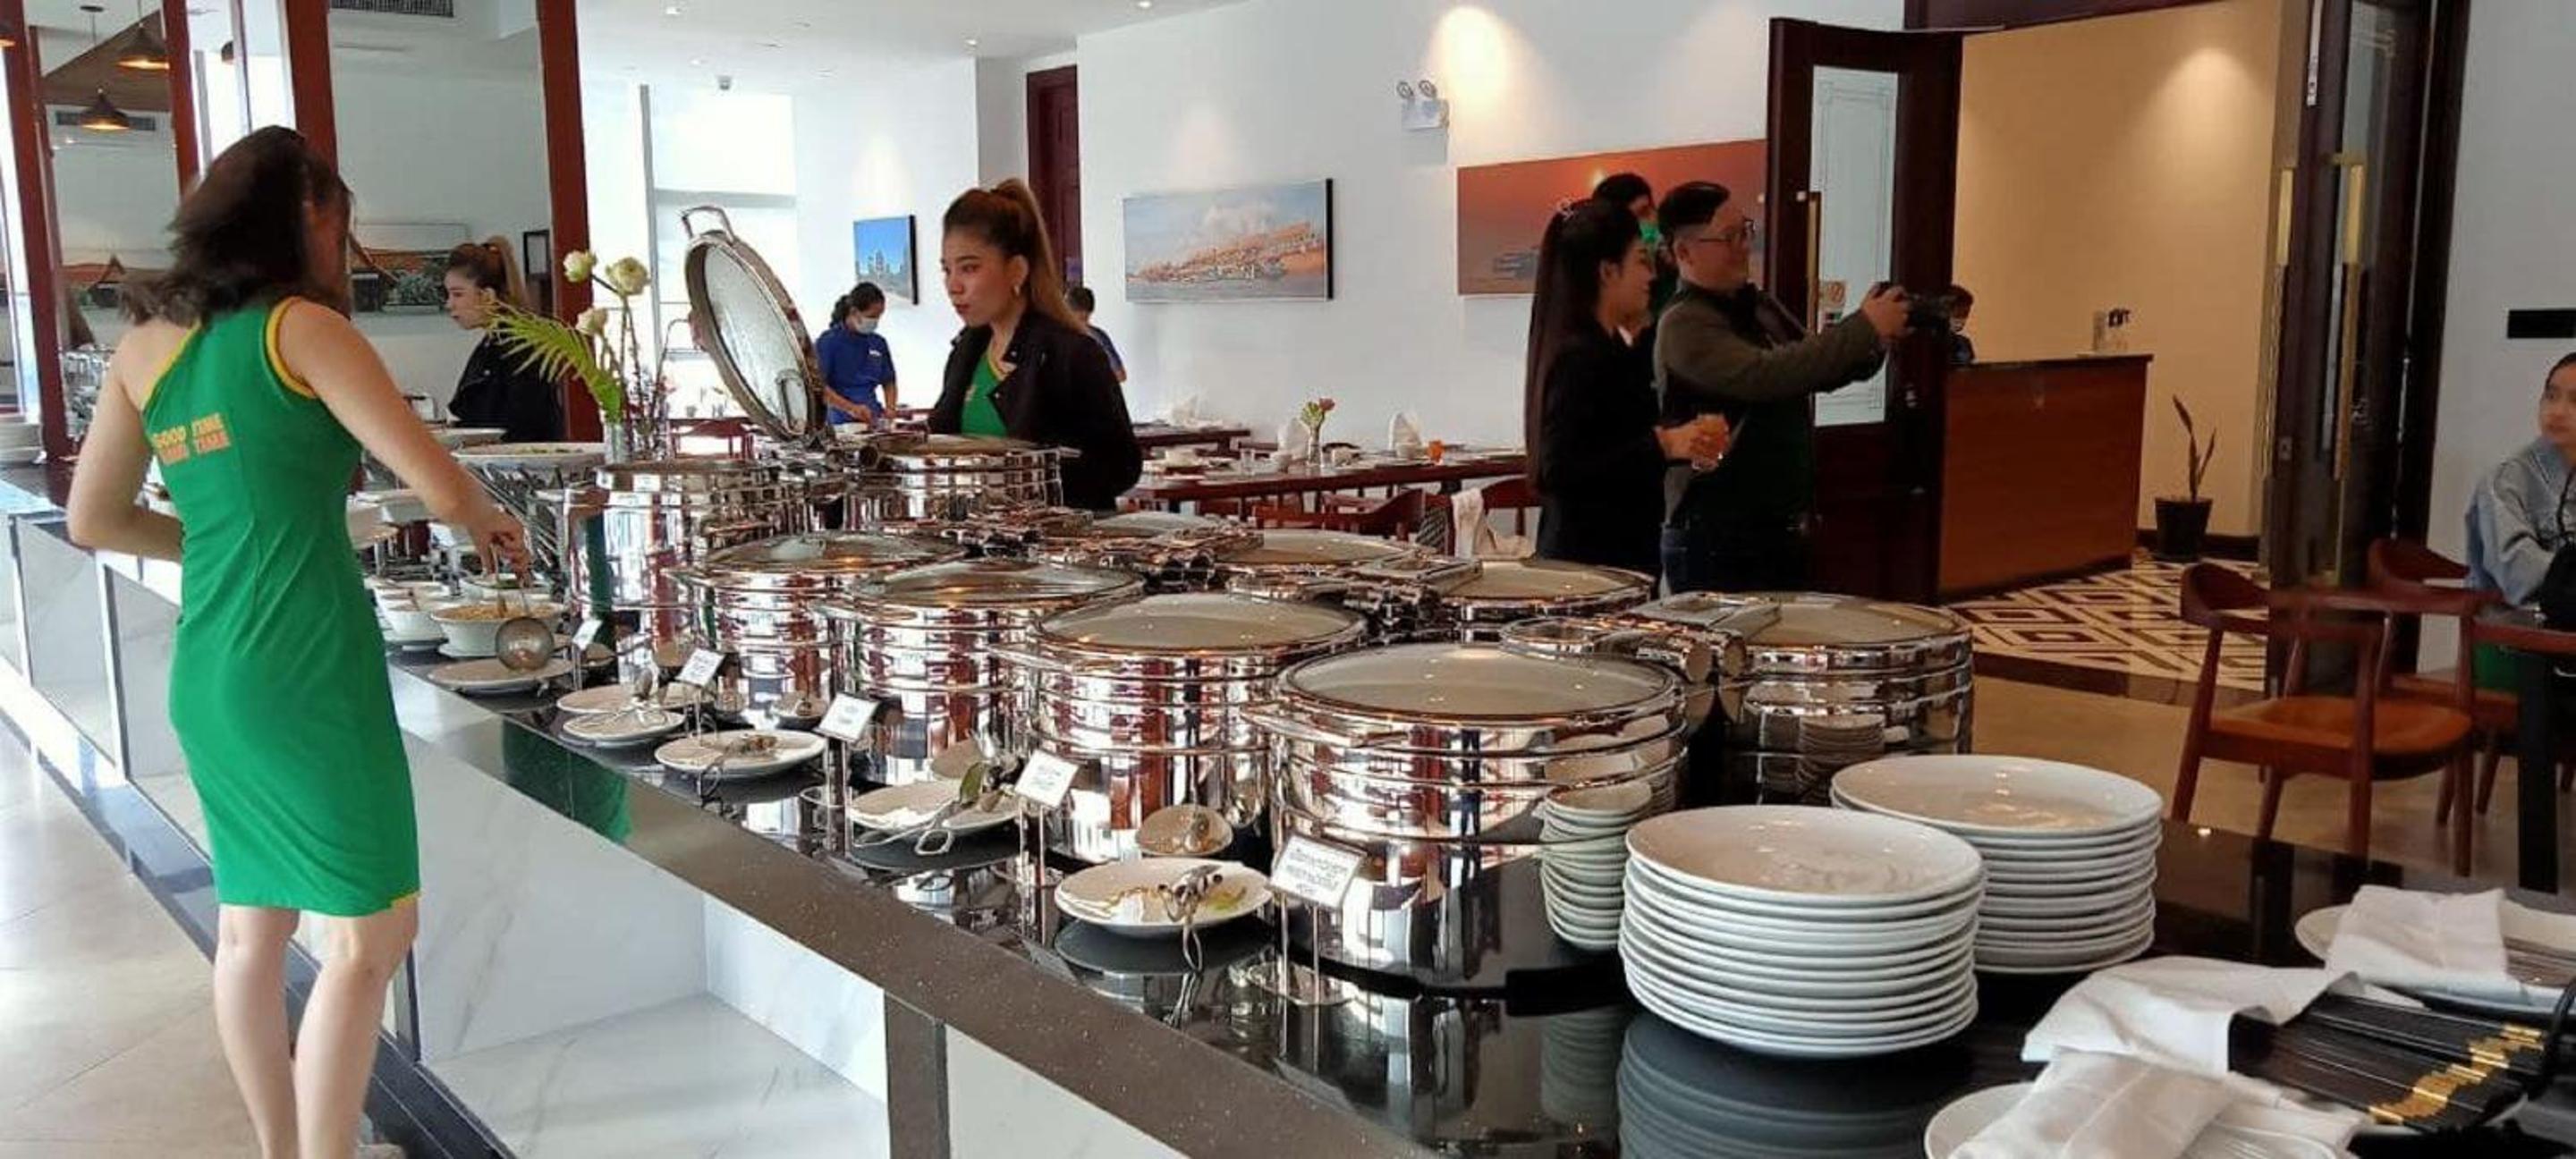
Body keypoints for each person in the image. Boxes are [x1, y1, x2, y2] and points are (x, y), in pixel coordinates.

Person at [65, 126, 529, 1159]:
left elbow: (93, 518)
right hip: (307, 665)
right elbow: (439, 484)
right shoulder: (301, 329)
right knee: (370, 935)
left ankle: (283, 1148)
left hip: (211, 667)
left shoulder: (146, 349)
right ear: (310, 214)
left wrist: (216, 543)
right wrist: (496, 525)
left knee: (250, 924)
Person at [1653, 181, 1908, 592]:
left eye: (1746, 232)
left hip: (1776, 529)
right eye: (1729, 237)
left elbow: (1816, 368)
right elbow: (1769, 374)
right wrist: (1864, 327)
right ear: (1684, 252)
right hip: (1715, 535)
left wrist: (1878, 338)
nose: (1744, 247)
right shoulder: (1684, 322)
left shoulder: (1758, 305)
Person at [1523, 199, 1729, 577]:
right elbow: (1560, 468)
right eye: (1640, 261)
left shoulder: (1610, 346)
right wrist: (1664, 444)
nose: (1650, 276)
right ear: (1607, 271)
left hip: (1616, 558)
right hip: (1588, 568)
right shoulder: (1579, 356)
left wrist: (1682, 442)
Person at [931, 179, 1141, 511]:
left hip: (1053, 537)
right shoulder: (966, 351)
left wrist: (1028, 480)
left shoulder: (1071, 354)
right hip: (975, 538)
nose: (953, 286)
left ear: (1016, 270)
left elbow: (1120, 466)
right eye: (947, 270)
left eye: (969, 268)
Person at [2466, 352, 2576, 609]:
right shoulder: (2505, 481)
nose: (2558, 411)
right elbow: (2518, 574)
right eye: (2551, 396)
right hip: (2519, 627)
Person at [442, 237, 564, 442]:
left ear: (487, 296)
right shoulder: (492, 343)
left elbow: (522, 425)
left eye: (458, 294)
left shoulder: (519, 348)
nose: (449, 304)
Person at [1593, 172, 1677, 322]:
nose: (1649, 223)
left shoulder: (1675, 267)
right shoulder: (1618, 292)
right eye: (1634, 218)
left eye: (1647, 211)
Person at [816, 282, 898, 426]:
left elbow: (889, 380)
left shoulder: (877, 343)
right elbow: (819, 388)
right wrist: (851, 408)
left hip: (872, 420)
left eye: (878, 317)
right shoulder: (828, 342)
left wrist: (891, 409)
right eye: (871, 316)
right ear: (854, 312)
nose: (875, 322)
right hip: (840, 422)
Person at [1064, 284, 1128, 384]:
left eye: (1085, 318)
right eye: (1079, 318)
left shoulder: (1098, 337)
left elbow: (1120, 375)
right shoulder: (1056, 338)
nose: (1082, 324)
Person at [1946, 283, 1979, 367]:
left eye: (1965, 315)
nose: (1961, 320)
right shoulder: (1924, 345)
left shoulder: (1963, 343)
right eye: (1957, 315)